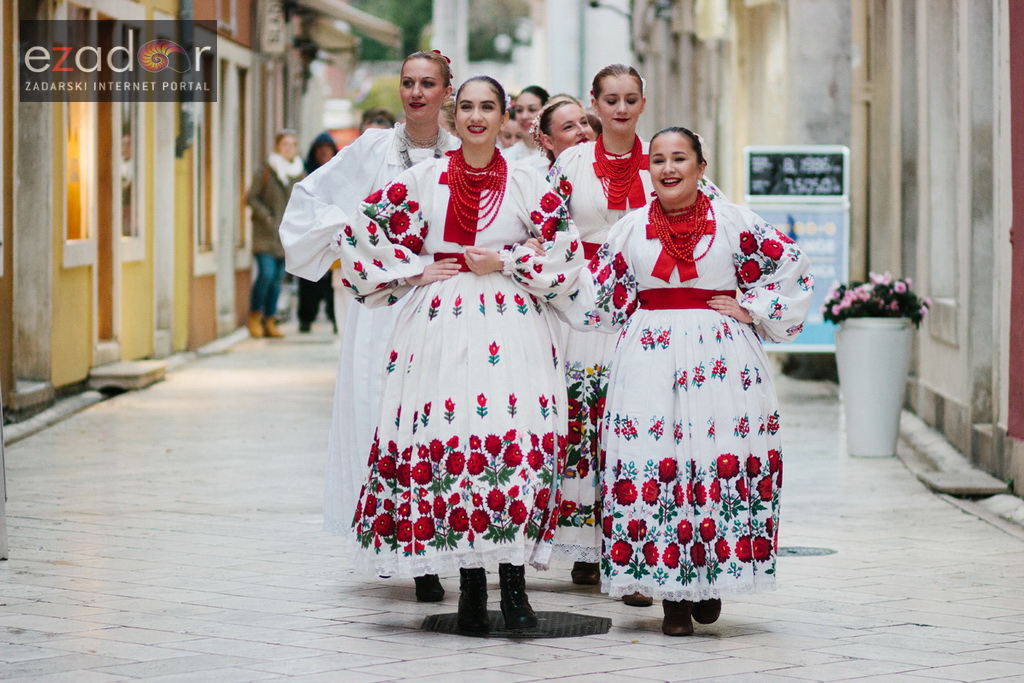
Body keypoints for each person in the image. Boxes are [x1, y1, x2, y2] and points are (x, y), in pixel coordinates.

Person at [331, 76, 583, 633]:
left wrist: (510, 262)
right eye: (465, 106)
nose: (475, 117)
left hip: (512, 321)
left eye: (486, 107)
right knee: (454, 439)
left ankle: (513, 587)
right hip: (439, 322)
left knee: (516, 443)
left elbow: (565, 251)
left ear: (505, 117)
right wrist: (417, 270)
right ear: (452, 114)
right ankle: (470, 587)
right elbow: (359, 234)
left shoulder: (528, 181)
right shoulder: (422, 178)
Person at [561, 126, 812, 635]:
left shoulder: (734, 221)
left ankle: (711, 579)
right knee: (655, 461)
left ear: (701, 166)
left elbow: (791, 267)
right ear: (647, 170)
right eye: (658, 160)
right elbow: (597, 297)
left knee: (713, 456)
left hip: (721, 355)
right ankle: (671, 596)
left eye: (679, 158)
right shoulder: (629, 229)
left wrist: (751, 307)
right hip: (648, 356)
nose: (668, 168)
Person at [279, 51, 460, 603]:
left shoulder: (463, 153)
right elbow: (311, 200)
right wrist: (360, 242)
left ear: (446, 91)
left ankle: (433, 548)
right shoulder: (372, 150)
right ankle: (391, 539)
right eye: (408, 82)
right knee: (379, 413)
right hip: (381, 308)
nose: (416, 92)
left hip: (443, 306)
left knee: (435, 422)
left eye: (428, 83)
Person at [247, 129, 304, 338]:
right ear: (277, 147)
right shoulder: (266, 170)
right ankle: (254, 315)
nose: (288, 149)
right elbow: (251, 197)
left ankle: (270, 320)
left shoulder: (299, 173)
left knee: (277, 279)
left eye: (292, 145)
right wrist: (266, 216)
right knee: (266, 274)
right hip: (266, 234)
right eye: (285, 145)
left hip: (287, 236)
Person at [296, 133, 339, 333]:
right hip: (311, 232)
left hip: (334, 232)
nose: (323, 151)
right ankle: (306, 318)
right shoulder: (305, 175)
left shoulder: (341, 173)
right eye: (319, 148)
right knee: (308, 279)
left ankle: (335, 317)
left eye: (327, 147)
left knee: (333, 281)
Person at [501, 85, 550, 175]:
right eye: (519, 110)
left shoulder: (554, 154)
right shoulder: (506, 156)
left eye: (532, 110)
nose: (524, 116)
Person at [533, 99, 592, 167]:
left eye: (584, 122)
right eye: (568, 127)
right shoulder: (538, 176)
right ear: (548, 141)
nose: (582, 131)